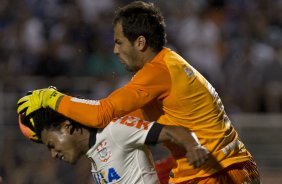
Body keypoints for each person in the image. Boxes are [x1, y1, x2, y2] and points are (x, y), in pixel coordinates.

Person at [17, 1, 260, 183]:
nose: (114, 50)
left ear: (140, 43)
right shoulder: (168, 65)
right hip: (230, 168)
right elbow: (121, 121)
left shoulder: (156, 73)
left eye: (119, 42)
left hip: (218, 173)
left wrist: (51, 98)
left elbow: (102, 113)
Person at [18, 107, 208, 184]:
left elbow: (172, 131)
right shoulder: (93, 157)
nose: (53, 154)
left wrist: (194, 147)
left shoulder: (114, 130)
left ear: (66, 127)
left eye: (51, 144)